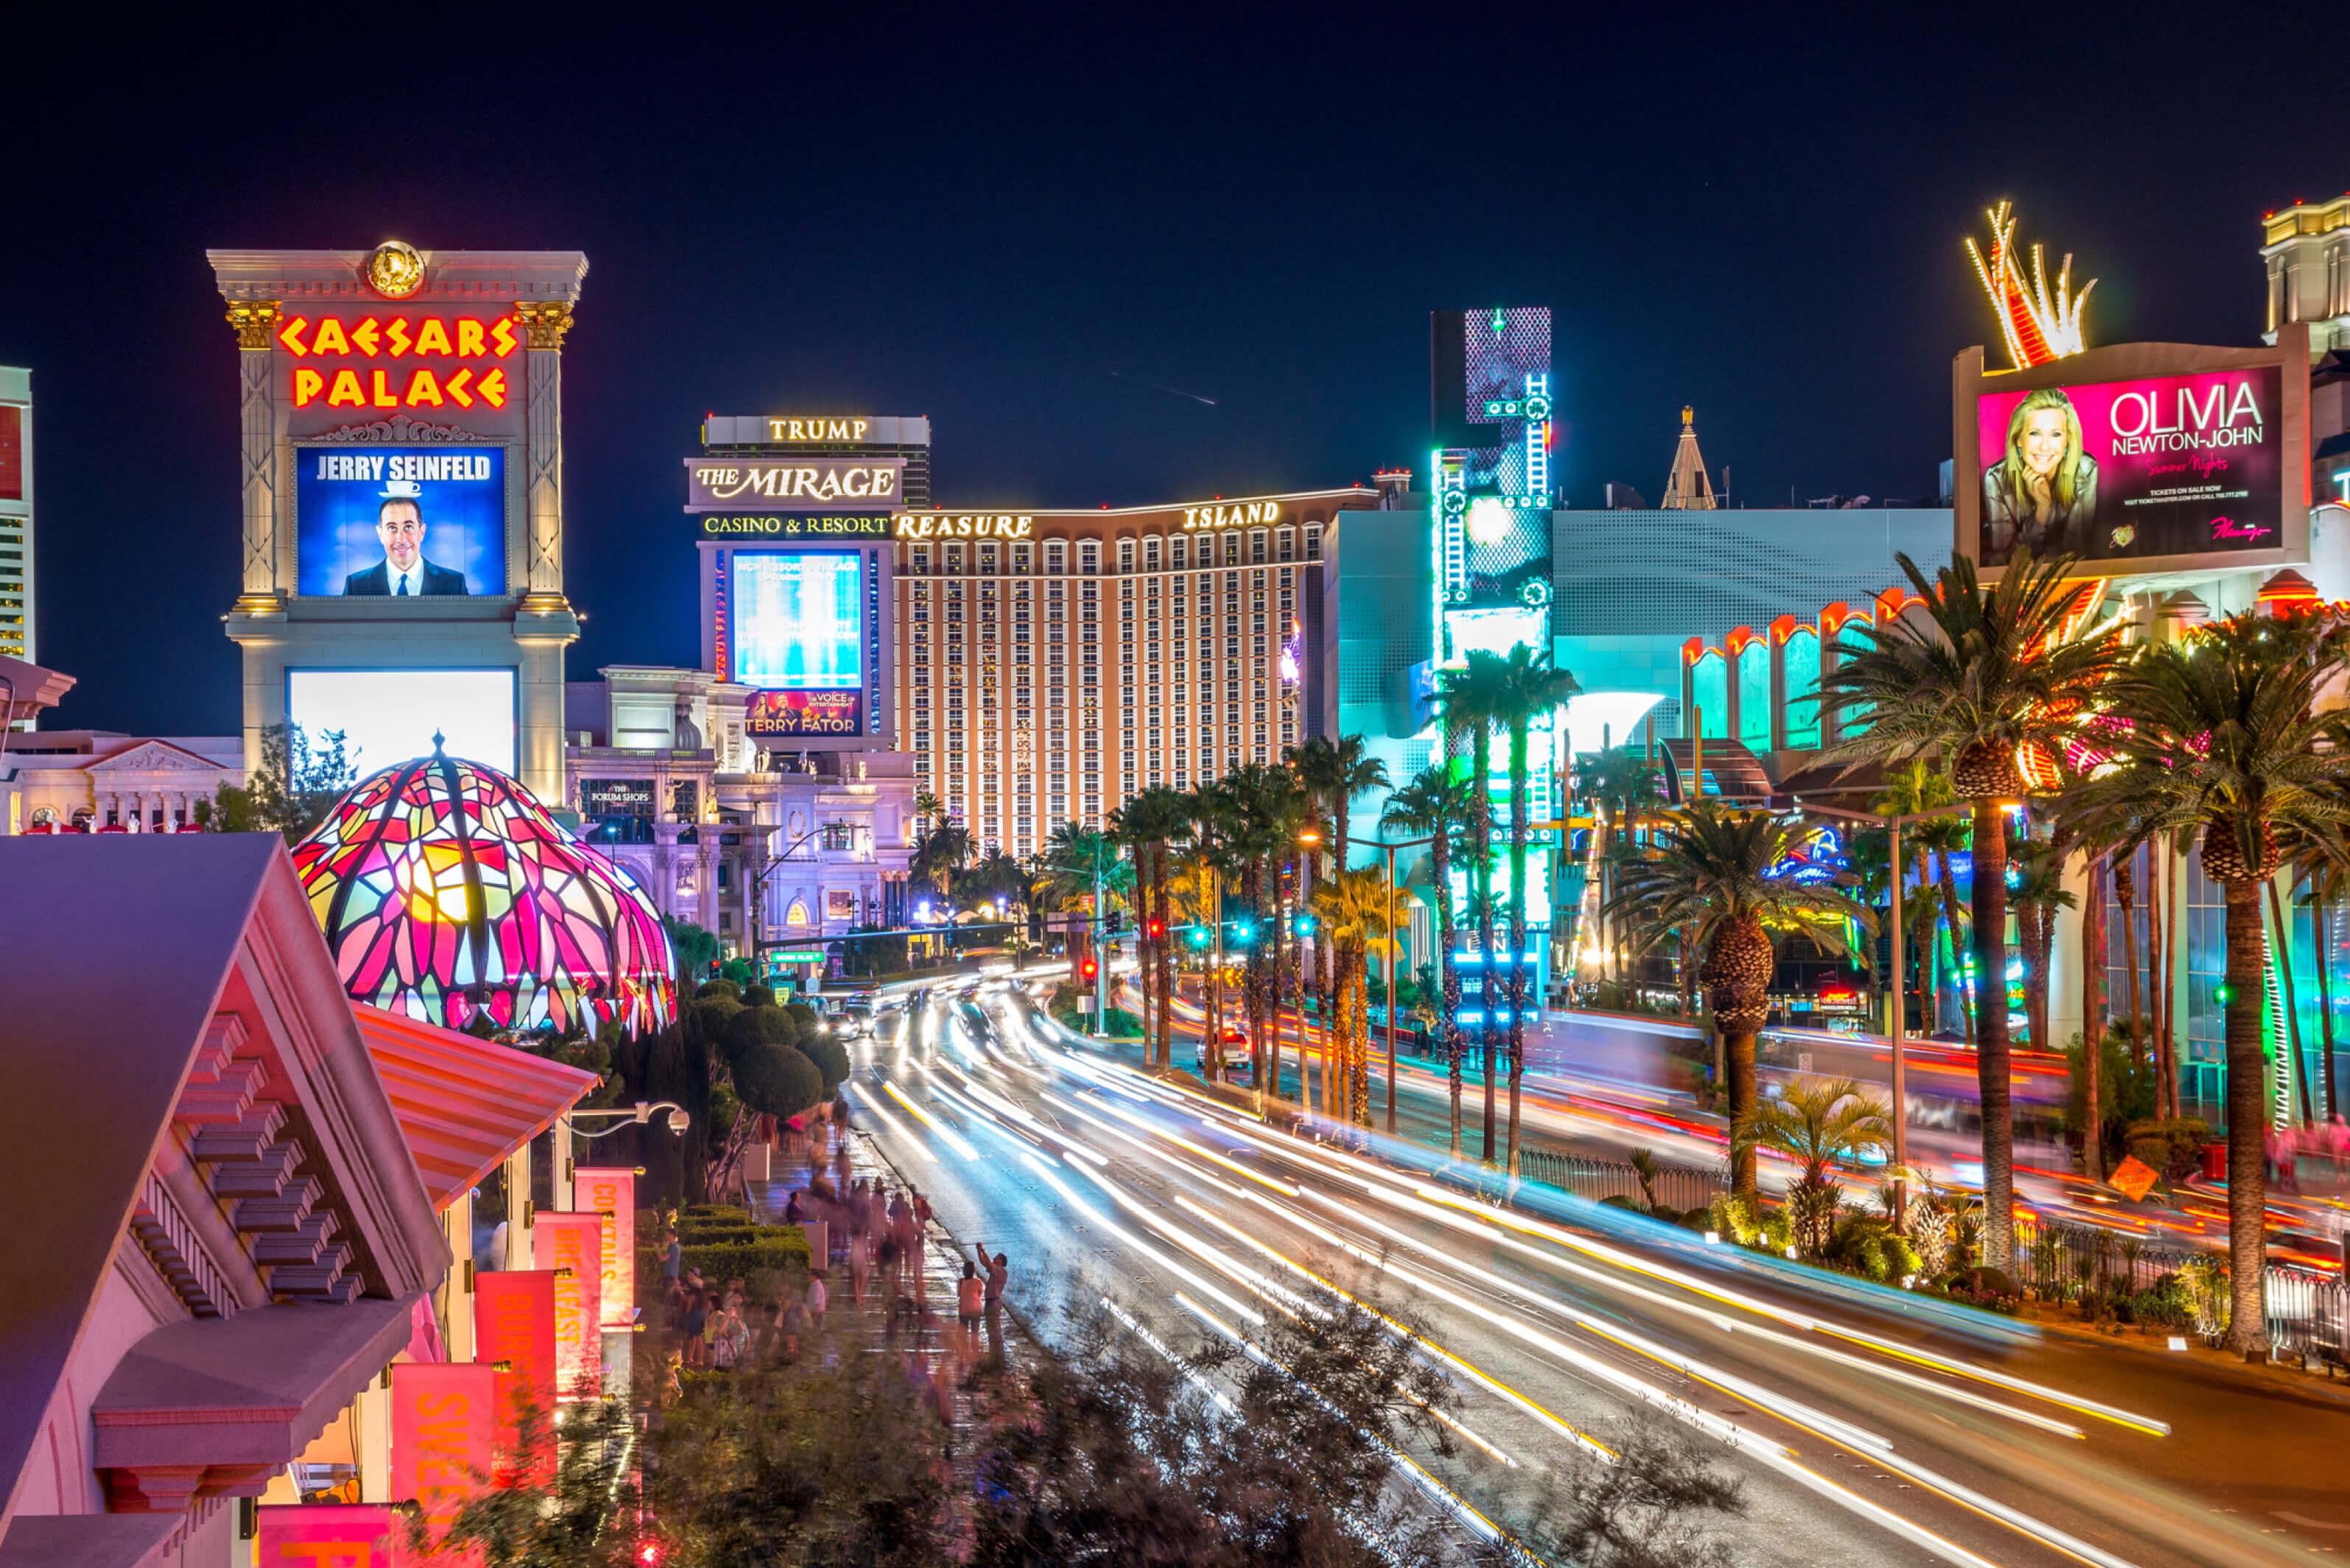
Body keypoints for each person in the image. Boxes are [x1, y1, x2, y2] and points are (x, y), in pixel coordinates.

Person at [1980, 387, 2100, 564]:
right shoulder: (1996, 479)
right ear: (2018, 439)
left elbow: (2076, 551)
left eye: (2056, 434)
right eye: (2035, 433)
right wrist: (2041, 512)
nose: (2044, 447)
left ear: (2067, 441)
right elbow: (2005, 562)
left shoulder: (2085, 470)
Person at [342, 483, 471, 596]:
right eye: (392, 528)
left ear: (422, 532)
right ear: (380, 534)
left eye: (408, 527)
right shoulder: (356, 585)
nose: (401, 538)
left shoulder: (454, 583)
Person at [955, 1261, 985, 1369]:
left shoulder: (960, 1282)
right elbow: (980, 1294)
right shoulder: (978, 1282)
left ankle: (961, 1358)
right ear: (973, 1271)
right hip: (975, 1310)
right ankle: (974, 1357)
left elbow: (959, 1294)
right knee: (975, 1334)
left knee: (962, 1334)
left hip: (963, 1310)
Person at [805, 1270, 829, 1335]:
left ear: (814, 1276)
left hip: (816, 1313)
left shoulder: (817, 1286)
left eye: (809, 1275)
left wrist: (815, 1316)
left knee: (816, 1332)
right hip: (813, 1312)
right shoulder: (813, 1285)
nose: (808, 1277)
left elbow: (817, 1302)